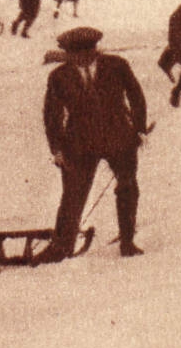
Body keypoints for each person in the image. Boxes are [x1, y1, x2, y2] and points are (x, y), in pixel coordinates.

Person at [41, 27, 148, 260]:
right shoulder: (59, 76)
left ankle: (128, 242)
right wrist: (57, 149)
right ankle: (62, 247)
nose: (82, 59)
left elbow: (136, 95)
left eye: (88, 53)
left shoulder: (117, 65)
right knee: (73, 194)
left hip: (119, 138)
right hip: (79, 144)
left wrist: (139, 129)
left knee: (128, 187)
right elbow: (52, 115)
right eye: (76, 55)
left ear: (95, 50)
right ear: (69, 54)